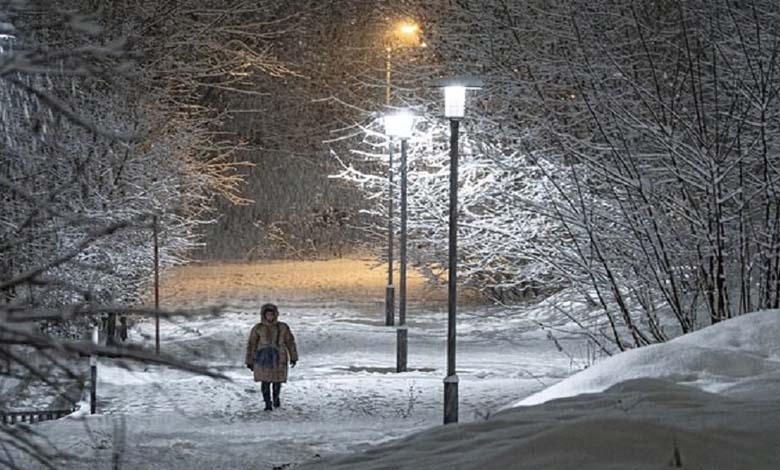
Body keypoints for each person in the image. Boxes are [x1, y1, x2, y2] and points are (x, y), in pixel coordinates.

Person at [245, 303, 298, 411]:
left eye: (272, 314)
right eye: (267, 315)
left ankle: (276, 398)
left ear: (275, 315)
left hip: (279, 358)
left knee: (277, 381)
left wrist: (293, 356)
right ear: (263, 315)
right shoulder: (258, 328)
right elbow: (251, 344)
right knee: (265, 381)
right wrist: (249, 361)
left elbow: (290, 342)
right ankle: (267, 403)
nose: (270, 317)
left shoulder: (283, 327)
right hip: (262, 358)